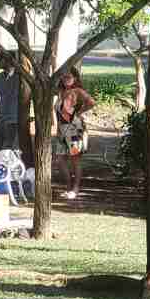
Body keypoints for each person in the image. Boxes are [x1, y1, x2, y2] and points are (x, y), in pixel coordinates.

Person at [54, 67, 96, 201]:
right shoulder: (60, 92)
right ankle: (68, 186)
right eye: (64, 77)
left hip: (74, 128)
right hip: (62, 128)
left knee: (75, 159)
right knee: (60, 160)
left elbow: (91, 102)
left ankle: (75, 188)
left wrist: (79, 113)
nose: (66, 79)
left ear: (75, 78)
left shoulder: (77, 91)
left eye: (69, 77)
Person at [0, 50, 20, 151]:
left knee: (9, 148)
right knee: (1, 148)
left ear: (10, 61)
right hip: (1, 118)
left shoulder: (20, 78)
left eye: (1, 59)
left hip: (13, 119)